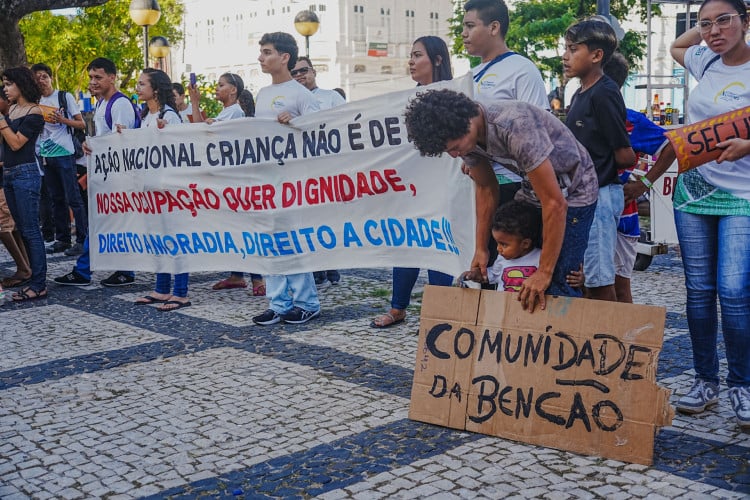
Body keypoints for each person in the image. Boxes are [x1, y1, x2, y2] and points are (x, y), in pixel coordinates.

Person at [403, 89, 599, 312]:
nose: (455, 155)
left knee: (556, 283)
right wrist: (481, 249)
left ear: (465, 122)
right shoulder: (466, 137)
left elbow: (555, 204)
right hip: (532, 191)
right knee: (516, 258)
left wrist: (544, 272)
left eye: (455, 148)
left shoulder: (515, 126)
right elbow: (486, 188)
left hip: (575, 192)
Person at [668, 0, 750, 429]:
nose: (714, 30)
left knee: (734, 290)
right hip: (694, 192)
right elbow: (674, 45)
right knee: (698, 291)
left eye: (725, 20)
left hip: (743, 195)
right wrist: (705, 34)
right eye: (706, 23)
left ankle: (742, 385)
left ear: (746, 21)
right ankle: (705, 382)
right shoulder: (706, 60)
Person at [370, 36, 454, 329]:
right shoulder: (406, 100)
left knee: (439, 245)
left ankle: (441, 313)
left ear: (438, 60)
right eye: (411, 55)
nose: (411, 61)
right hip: (411, 185)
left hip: (444, 185)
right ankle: (398, 307)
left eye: (417, 55)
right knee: (407, 242)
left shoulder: (453, 95)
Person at [563, 17, 636, 303]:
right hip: (583, 195)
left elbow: (624, 153)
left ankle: (608, 340)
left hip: (601, 195)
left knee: (599, 279)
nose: (566, 56)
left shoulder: (604, 92)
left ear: (596, 55)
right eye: (565, 49)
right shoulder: (580, 92)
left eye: (573, 49)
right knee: (584, 276)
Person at [251, 32, 321, 326]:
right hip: (267, 181)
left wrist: (297, 124)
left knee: (293, 243)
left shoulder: (301, 95)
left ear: (284, 58)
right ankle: (278, 303)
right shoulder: (262, 94)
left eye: (267, 52)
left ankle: (307, 302)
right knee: (269, 243)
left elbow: (321, 133)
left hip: (293, 183)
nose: (261, 58)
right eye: (261, 52)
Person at [53, 57, 140, 287]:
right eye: (91, 77)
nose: (93, 82)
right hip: (107, 176)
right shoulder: (102, 103)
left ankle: (107, 270)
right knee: (102, 224)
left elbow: (123, 141)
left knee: (109, 224)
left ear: (112, 77)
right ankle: (100, 270)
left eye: (98, 77)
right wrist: (90, 145)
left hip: (119, 177)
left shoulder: (119, 104)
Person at [603, 52, 674, 303]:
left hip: (623, 215)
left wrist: (644, 182)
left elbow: (671, 146)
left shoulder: (632, 120)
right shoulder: (580, 113)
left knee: (619, 287)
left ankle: (623, 341)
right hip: (587, 212)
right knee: (589, 286)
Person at [190, 73, 265, 295]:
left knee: (244, 229)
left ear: (233, 90)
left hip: (238, 180)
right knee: (233, 228)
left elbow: (205, 132)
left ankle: (257, 279)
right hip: (227, 180)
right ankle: (236, 275)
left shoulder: (235, 112)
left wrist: (204, 116)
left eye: (221, 85)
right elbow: (198, 129)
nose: (217, 88)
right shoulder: (226, 112)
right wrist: (196, 104)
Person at [130, 68, 190, 312]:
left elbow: (180, 150)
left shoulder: (170, 117)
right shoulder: (145, 117)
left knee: (175, 239)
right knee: (158, 239)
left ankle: (181, 292)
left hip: (169, 189)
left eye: (142, 83)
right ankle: (162, 288)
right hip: (150, 188)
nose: (138, 87)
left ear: (155, 89)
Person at [291, 56, 346, 286]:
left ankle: (330, 266)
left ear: (313, 71)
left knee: (327, 221)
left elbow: (345, 124)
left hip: (327, 169)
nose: (299, 75)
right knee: (306, 222)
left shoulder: (331, 97)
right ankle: (315, 269)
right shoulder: (289, 101)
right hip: (300, 171)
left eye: (303, 70)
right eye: (294, 72)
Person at [31, 63, 88, 257]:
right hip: (46, 155)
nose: (41, 80)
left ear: (50, 78)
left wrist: (63, 120)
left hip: (64, 153)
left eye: (44, 76)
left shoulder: (64, 97)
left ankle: (82, 239)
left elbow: (81, 123)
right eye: (37, 78)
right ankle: (62, 239)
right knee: (56, 199)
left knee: (73, 197)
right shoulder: (35, 101)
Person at [0, 67, 47, 302]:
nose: (5, 89)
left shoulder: (34, 112)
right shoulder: (13, 110)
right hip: (8, 174)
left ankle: (39, 284)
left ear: (21, 84)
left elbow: (17, 143)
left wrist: (1, 121)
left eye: (9, 84)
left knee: (30, 230)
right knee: (22, 227)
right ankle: (31, 275)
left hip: (25, 174)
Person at [461, 200, 541, 292]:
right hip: (503, 305)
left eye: (504, 244)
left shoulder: (541, 259)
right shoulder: (502, 259)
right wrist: (475, 275)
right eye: (497, 243)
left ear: (525, 244)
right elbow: (490, 276)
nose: (498, 249)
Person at [0, 84, 32, 290]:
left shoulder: (9, 119)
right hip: (6, 179)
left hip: (5, 179)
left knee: (4, 226)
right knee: (11, 226)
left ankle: (24, 268)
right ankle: (26, 266)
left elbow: (12, 148)